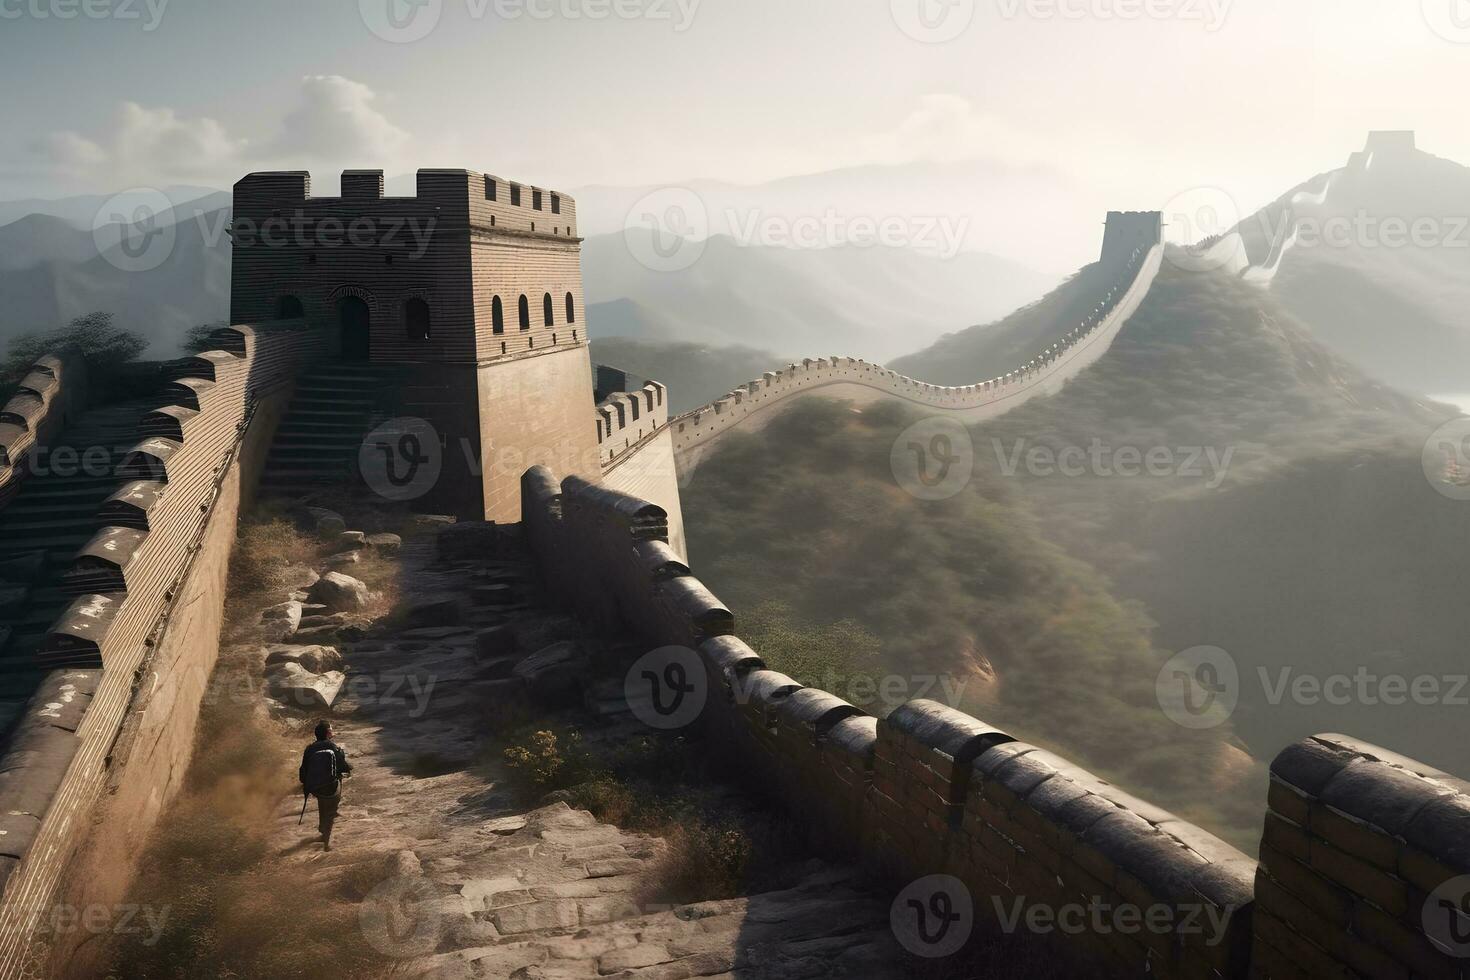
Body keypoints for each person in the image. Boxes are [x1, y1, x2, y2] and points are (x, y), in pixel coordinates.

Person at [299, 720, 352, 851]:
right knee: (331, 808)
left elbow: (303, 771)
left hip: (316, 788)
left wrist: (307, 786)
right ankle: (326, 841)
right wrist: (349, 768)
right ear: (328, 733)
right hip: (331, 787)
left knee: (323, 803)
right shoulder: (334, 747)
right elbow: (343, 767)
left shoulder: (309, 749)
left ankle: (322, 829)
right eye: (331, 730)